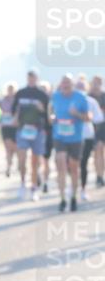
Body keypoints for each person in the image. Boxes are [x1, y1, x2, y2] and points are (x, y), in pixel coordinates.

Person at [51, 74, 90, 212]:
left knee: (74, 168)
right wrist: (51, 117)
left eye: (68, 83)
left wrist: (77, 114)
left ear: (72, 84)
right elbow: (51, 111)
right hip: (59, 136)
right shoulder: (55, 96)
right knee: (60, 163)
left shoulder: (80, 97)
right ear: (60, 84)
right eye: (63, 83)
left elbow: (88, 118)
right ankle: (62, 198)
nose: (65, 85)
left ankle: (73, 197)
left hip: (75, 138)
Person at [11, 70, 51, 200]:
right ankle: (23, 183)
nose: (31, 80)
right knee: (22, 159)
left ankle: (34, 187)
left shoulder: (42, 95)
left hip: (37, 130)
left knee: (35, 162)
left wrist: (42, 109)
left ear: (37, 78)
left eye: (33, 78)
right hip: (22, 130)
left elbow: (48, 115)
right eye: (29, 78)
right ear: (27, 78)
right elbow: (14, 110)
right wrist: (15, 118)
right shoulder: (21, 93)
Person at [75, 79, 104, 201]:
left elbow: (98, 118)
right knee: (72, 163)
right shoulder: (70, 100)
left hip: (88, 135)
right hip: (70, 137)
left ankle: (84, 187)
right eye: (78, 86)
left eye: (82, 86)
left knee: (83, 162)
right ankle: (73, 187)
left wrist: (87, 117)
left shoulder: (91, 101)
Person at [0, 83, 18, 181]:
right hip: (5, 126)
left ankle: (12, 162)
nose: (10, 91)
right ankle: (8, 167)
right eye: (9, 89)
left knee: (14, 148)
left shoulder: (17, 100)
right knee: (7, 147)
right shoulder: (3, 100)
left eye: (12, 89)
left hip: (14, 126)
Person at [90, 75, 105, 188]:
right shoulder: (89, 97)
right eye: (94, 83)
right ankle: (99, 176)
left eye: (98, 83)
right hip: (94, 128)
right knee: (98, 151)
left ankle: (101, 174)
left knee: (102, 152)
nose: (96, 85)